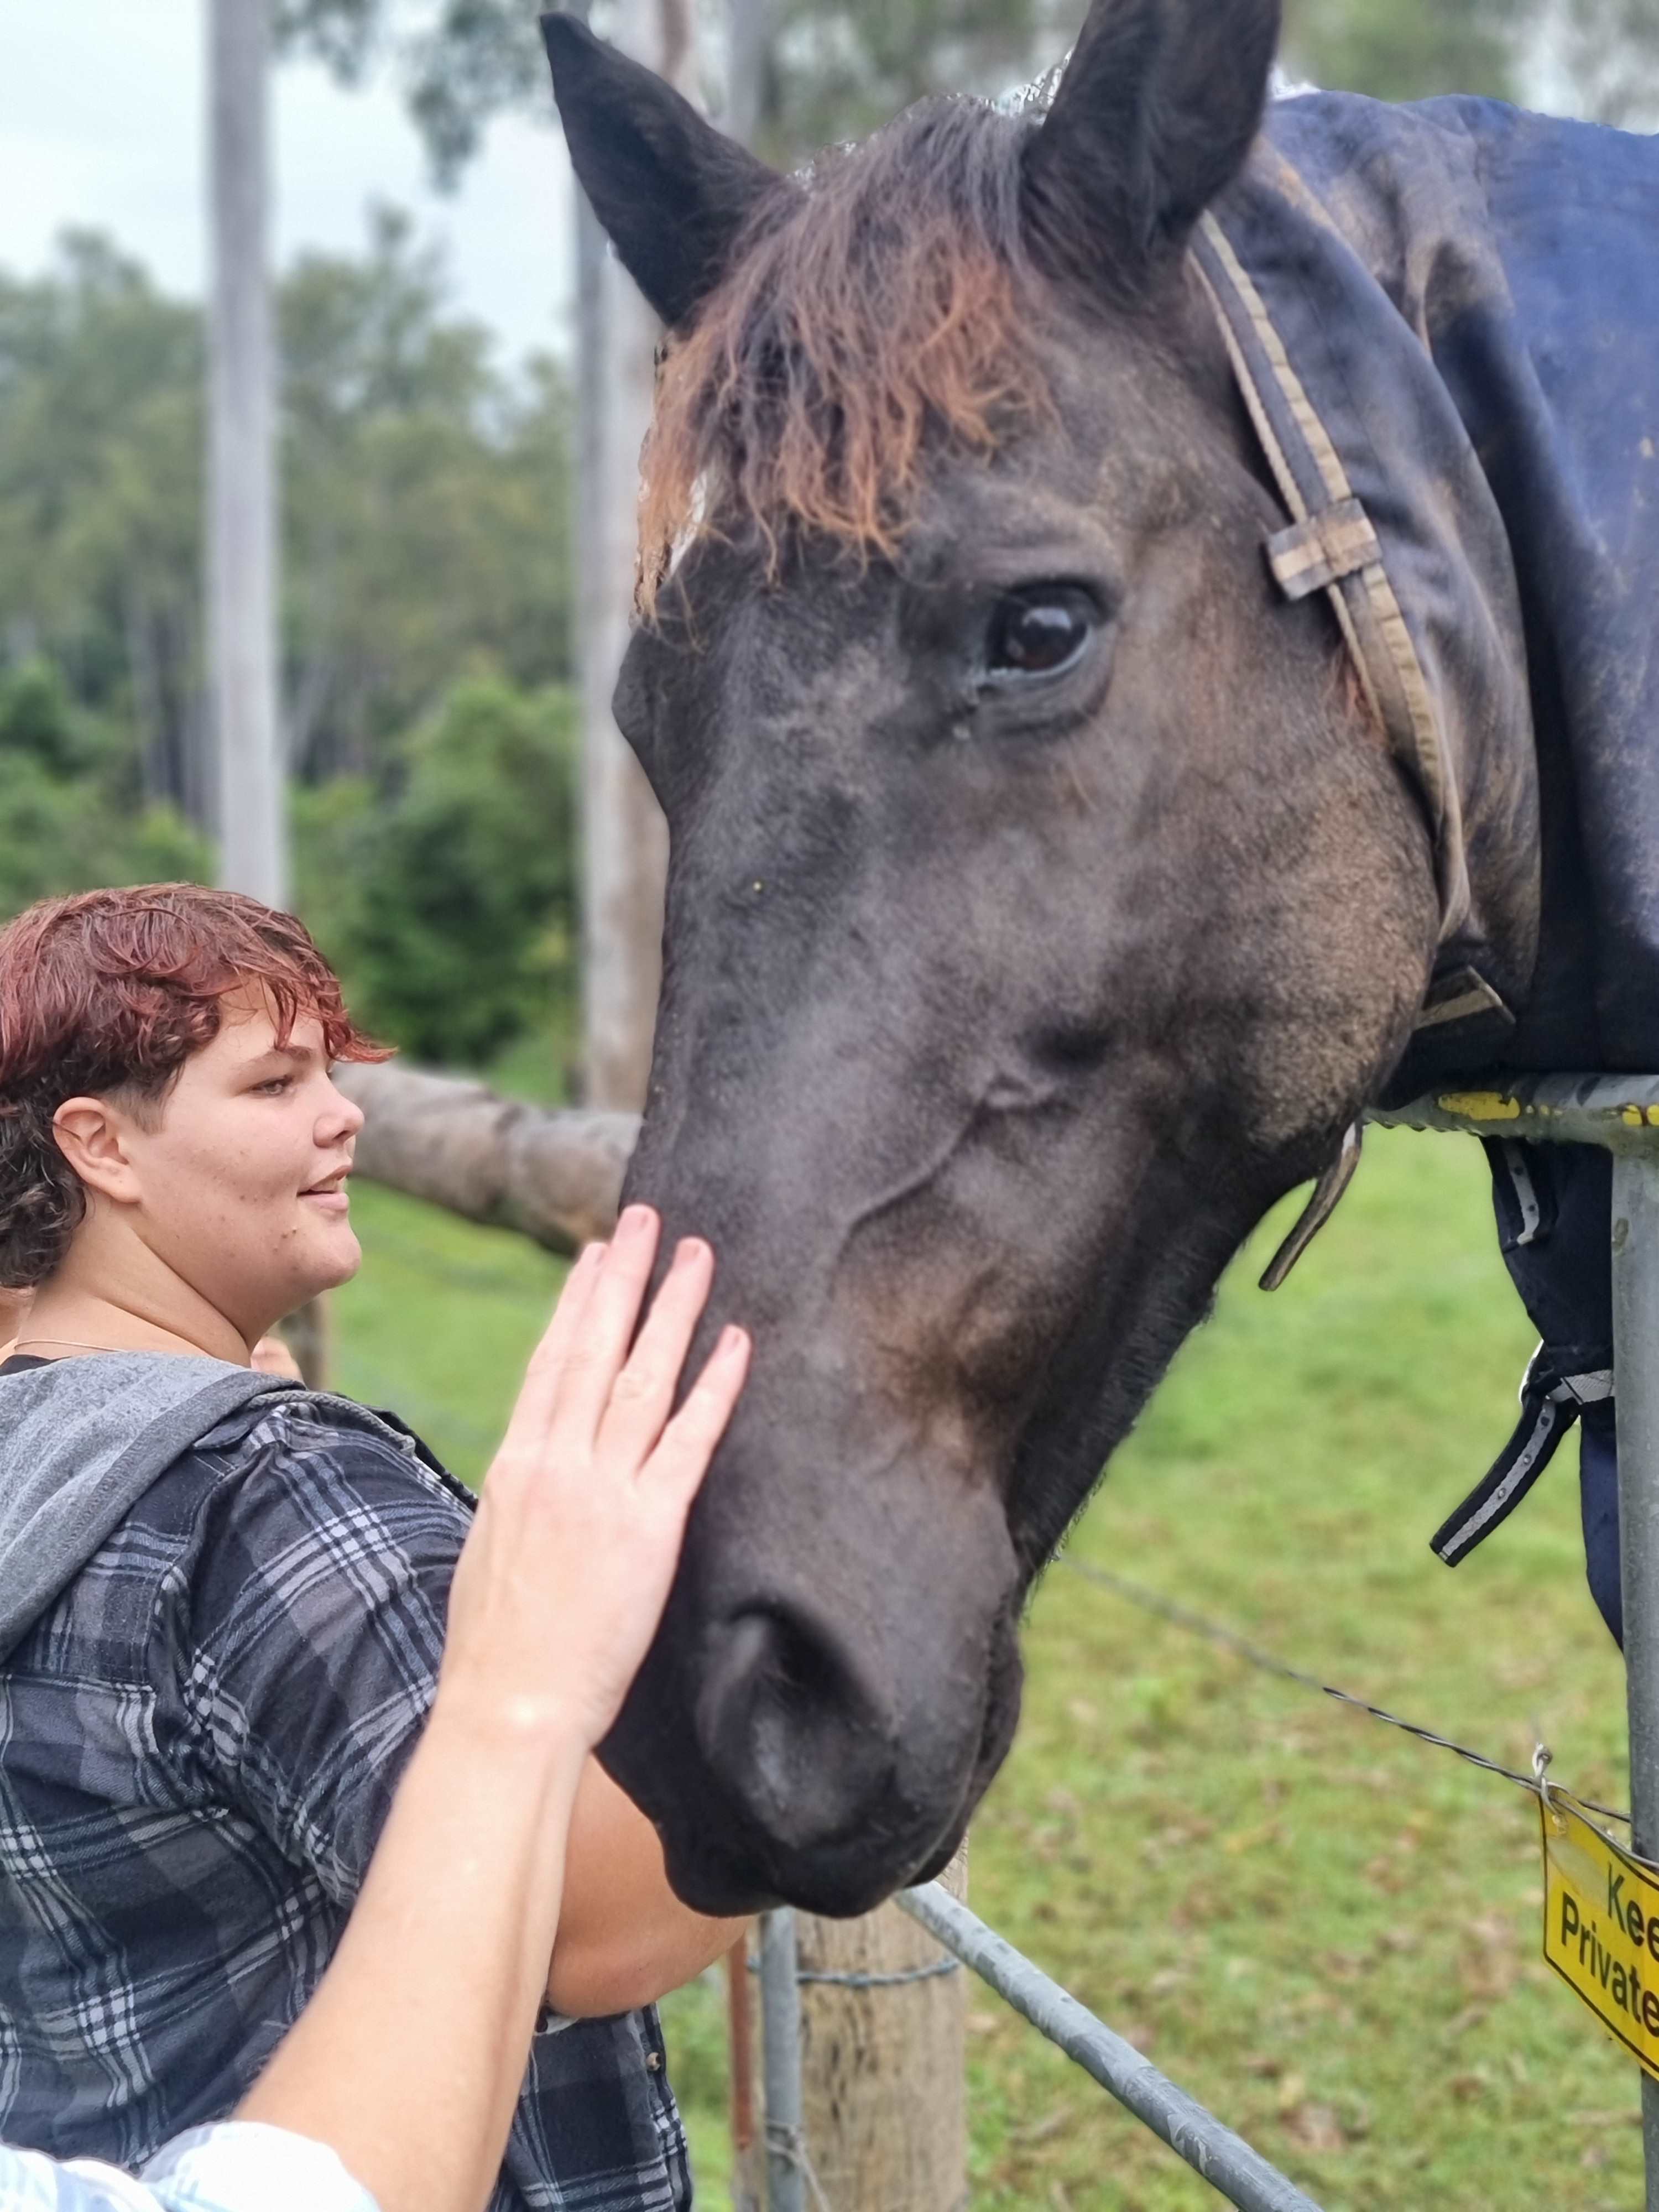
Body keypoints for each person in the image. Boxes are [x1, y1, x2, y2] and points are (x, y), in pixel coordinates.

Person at [0, 884, 749, 2210]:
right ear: (100, 1143)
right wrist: (842, 1699)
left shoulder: (37, 1436)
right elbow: (589, 1920)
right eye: (275, 1082)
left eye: (330, 1074)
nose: (344, 1114)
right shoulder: (264, 1492)